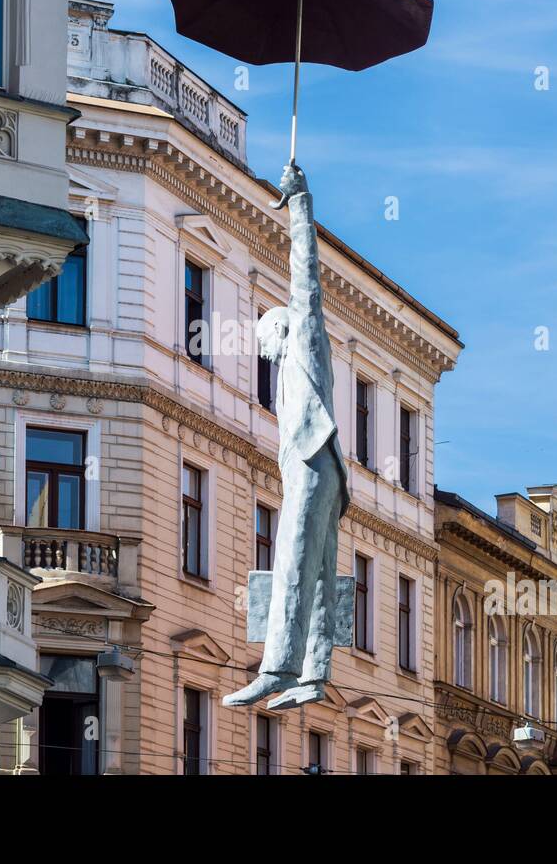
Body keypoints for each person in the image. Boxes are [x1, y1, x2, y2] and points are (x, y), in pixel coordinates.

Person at [223, 163, 349, 711]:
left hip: (314, 458)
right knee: (319, 569)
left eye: (262, 336)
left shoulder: (305, 342)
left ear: (282, 328)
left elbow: (306, 278)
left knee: (294, 559)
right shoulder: (285, 374)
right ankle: (315, 675)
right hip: (321, 467)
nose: (260, 347)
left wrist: (299, 204)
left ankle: (275, 668)